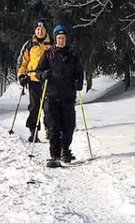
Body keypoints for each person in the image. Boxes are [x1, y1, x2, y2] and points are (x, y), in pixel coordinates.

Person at [34, 24, 86, 166]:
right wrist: (43, 75)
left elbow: (79, 72)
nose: (61, 41)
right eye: (58, 38)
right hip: (51, 96)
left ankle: (65, 150)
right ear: (55, 39)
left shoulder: (73, 55)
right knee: (54, 126)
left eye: (63, 38)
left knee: (68, 126)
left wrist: (79, 82)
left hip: (68, 96)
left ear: (66, 39)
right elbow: (38, 71)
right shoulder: (48, 54)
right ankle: (55, 154)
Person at [16, 20, 51, 143]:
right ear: (35, 31)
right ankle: (33, 131)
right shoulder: (29, 45)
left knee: (48, 107)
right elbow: (23, 62)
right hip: (33, 80)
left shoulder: (51, 44)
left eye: (42, 29)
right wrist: (21, 76)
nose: (40, 31)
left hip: (48, 80)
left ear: (46, 31)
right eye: (38, 29)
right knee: (34, 106)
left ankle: (49, 129)